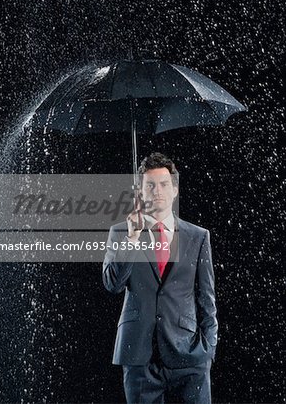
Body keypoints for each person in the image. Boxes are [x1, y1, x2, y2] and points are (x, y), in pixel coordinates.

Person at [102, 152, 218, 404]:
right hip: (138, 356)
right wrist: (132, 239)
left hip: (189, 355)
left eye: (164, 184)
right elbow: (113, 283)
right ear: (140, 192)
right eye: (150, 185)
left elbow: (207, 298)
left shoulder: (198, 236)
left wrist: (208, 349)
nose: (158, 191)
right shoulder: (120, 231)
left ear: (175, 189)